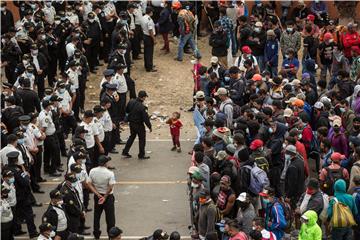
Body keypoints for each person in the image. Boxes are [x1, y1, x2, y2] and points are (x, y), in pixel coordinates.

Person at [6, 151, 39, 239]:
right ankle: (32, 232)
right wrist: (27, 176)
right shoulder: (17, 170)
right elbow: (25, 182)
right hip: (22, 196)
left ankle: (17, 230)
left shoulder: (5, 169)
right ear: (16, 160)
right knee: (29, 214)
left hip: (11, 196)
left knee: (15, 214)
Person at [88, 155, 116, 239]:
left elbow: (89, 184)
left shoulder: (92, 171)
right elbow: (110, 187)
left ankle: (96, 234)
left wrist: (97, 193)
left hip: (98, 196)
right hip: (108, 197)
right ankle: (111, 235)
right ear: (105, 163)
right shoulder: (109, 173)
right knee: (110, 218)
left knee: (97, 216)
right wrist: (105, 197)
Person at [122, 90, 152, 159]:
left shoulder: (131, 101)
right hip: (139, 125)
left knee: (132, 137)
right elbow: (145, 118)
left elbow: (127, 110)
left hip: (131, 123)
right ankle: (141, 154)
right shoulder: (142, 107)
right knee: (142, 139)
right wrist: (149, 127)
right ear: (143, 97)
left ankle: (125, 151)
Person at [141, 7, 157, 72]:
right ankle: (149, 67)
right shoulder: (149, 19)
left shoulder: (143, 17)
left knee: (146, 52)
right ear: (150, 12)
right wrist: (154, 39)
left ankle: (147, 65)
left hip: (145, 35)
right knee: (149, 53)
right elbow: (150, 30)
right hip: (149, 37)